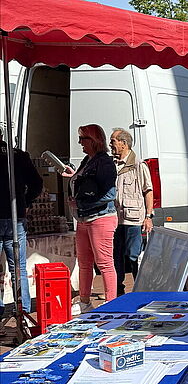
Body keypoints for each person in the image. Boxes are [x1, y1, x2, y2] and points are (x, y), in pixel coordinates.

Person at [66, 124, 118, 310]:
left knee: (104, 263)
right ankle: (85, 301)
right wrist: (74, 176)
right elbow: (88, 184)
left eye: (83, 138)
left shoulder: (104, 162)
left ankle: (111, 304)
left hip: (100, 218)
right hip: (83, 219)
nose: (79, 142)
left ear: (94, 141)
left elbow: (111, 194)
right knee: (84, 263)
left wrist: (82, 204)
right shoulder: (88, 160)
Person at [0, 133, 43, 316]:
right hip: (15, 215)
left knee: (17, 266)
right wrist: (25, 201)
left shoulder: (17, 155)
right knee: (18, 267)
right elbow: (37, 183)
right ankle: (23, 310)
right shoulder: (18, 155)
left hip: (9, 215)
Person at [110, 128, 154, 296]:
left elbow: (148, 191)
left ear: (124, 143)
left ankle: (140, 290)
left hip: (134, 220)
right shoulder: (112, 165)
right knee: (116, 256)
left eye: (113, 141)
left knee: (133, 256)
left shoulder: (138, 165)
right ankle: (119, 291)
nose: (110, 144)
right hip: (115, 219)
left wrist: (148, 216)